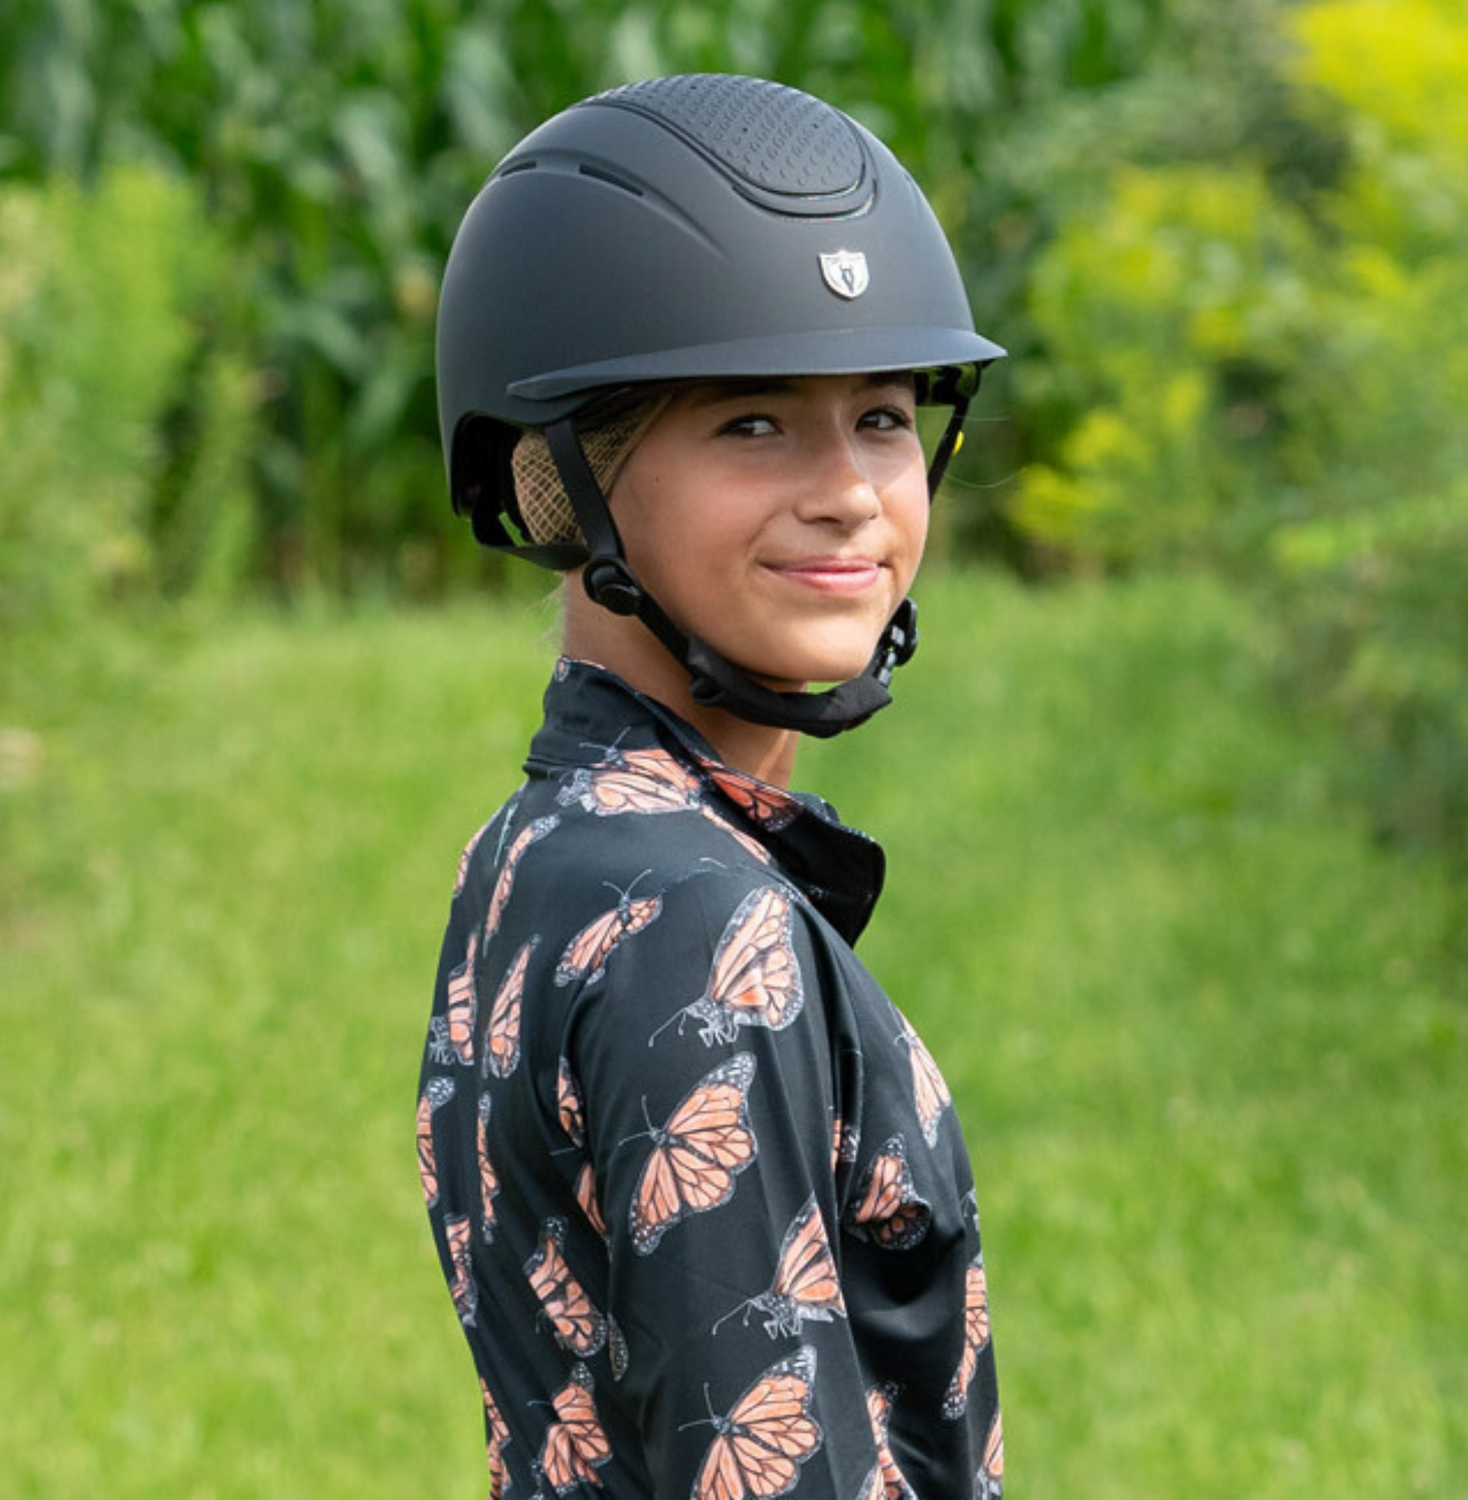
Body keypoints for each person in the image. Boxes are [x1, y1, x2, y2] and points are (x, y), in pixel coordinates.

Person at [417, 73, 1007, 1499]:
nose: (852, 489)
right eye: (754, 422)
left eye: (882, 415)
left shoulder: (545, 847)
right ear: (569, 484)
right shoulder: (697, 929)